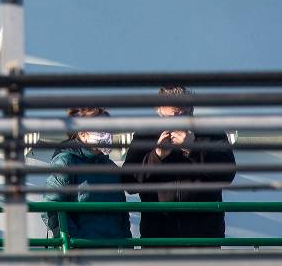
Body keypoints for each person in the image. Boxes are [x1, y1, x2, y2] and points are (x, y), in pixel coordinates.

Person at [123, 87, 235, 241]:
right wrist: (156, 156)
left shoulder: (211, 132)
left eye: (185, 116)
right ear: (159, 112)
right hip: (158, 236)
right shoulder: (145, 135)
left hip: (205, 236)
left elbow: (227, 174)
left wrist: (194, 149)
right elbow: (129, 183)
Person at [42, 107, 131, 244]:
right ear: (82, 134)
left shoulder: (111, 168)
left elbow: (122, 214)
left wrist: (126, 246)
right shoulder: (66, 162)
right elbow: (51, 207)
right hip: (81, 252)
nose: (106, 135)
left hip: (113, 252)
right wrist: (74, 242)